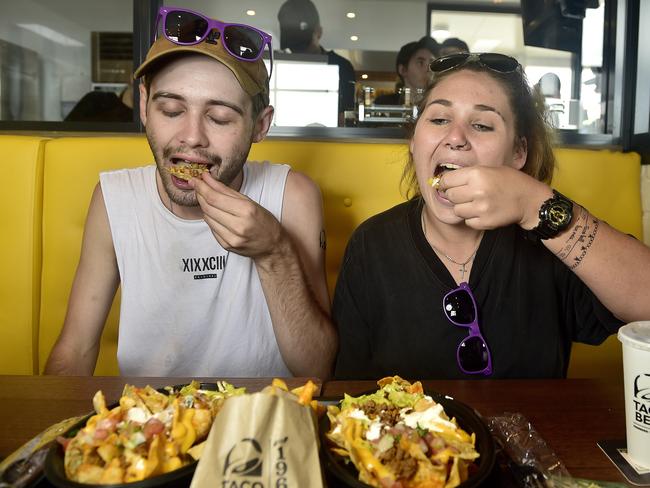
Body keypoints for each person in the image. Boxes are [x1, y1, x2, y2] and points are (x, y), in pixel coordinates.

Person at [45, 6, 337, 378]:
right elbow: (75, 349)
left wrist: (274, 250)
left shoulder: (292, 195)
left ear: (260, 126)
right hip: (149, 421)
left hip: (262, 421)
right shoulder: (114, 198)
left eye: (219, 118)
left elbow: (318, 368)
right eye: (170, 110)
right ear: (145, 106)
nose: (191, 137)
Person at [333, 52, 650, 379]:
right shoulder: (372, 244)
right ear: (414, 141)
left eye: (482, 125)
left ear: (518, 154)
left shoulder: (544, 242)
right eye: (440, 119)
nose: (455, 138)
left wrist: (534, 203)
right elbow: (348, 388)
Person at [277, 0, 356, 118]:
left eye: (303, 45)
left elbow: (345, 116)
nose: (299, 53)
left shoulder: (342, 67)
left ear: (319, 32)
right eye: (294, 46)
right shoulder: (279, 66)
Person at [374, 39, 436, 105]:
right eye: (420, 63)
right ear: (403, 70)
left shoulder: (437, 103)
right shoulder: (385, 103)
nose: (428, 68)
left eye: (431, 63)